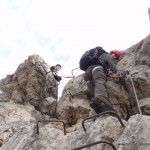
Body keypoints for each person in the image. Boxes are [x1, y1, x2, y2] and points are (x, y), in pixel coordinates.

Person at [83, 48, 122, 114]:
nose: (114, 57)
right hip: (96, 69)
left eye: (116, 57)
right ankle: (103, 102)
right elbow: (114, 70)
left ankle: (97, 107)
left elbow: (104, 74)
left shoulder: (101, 59)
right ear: (111, 53)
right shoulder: (107, 56)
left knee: (95, 90)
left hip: (87, 75)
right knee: (100, 83)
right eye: (115, 55)